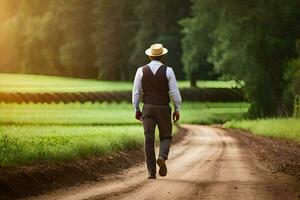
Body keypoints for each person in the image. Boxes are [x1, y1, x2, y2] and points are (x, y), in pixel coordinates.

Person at [132, 43, 182, 179]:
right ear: (163, 56)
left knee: (148, 140)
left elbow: (136, 93)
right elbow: (174, 93)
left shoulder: (140, 71)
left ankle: (151, 173)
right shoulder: (168, 71)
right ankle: (162, 156)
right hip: (163, 108)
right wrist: (177, 109)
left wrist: (136, 109)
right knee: (166, 136)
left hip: (147, 108)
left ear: (149, 56)